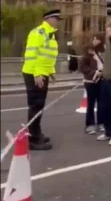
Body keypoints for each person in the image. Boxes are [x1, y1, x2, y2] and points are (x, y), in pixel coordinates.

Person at [22, 9, 63, 150]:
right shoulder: (38, 33)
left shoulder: (49, 34)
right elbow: (32, 54)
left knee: (39, 106)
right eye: (57, 19)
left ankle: (36, 133)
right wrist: (38, 73)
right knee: (36, 105)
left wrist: (51, 72)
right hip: (34, 73)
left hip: (42, 72)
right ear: (49, 19)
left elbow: (47, 57)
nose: (58, 22)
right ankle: (32, 139)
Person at [79, 44, 105, 135]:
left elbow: (102, 65)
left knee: (101, 103)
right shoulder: (86, 57)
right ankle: (90, 124)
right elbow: (82, 68)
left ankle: (101, 122)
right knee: (91, 104)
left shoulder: (98, 55)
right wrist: (94, 72)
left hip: (100, 81)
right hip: (90, 82)